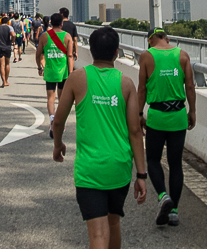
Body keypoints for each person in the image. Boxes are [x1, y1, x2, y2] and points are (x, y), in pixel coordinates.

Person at [52, 26, 148, 249]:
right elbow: (135, 131)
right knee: (113, 223)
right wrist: (141, 174)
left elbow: (58, 121)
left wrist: (58, 145)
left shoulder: (76, 78)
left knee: (97, 234)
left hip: (90, 169)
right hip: (119, 167)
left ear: (91, 50)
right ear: (116, 52)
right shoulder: (126, 84)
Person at [137, 27, 196, 227]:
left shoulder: (146, 56)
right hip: (178, 115)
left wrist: (138, 114)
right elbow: (190, 86)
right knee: (175, 163)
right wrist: (193, 111)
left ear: (150, 39)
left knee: (153, 159)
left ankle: (163, 196)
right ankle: (174, 211)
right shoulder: (182, 55)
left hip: (156, 117)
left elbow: (142, 89)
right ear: (167, 38)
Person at [36, 12, 73, 125]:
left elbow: (38, 54)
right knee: (61, 99)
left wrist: (39, 67)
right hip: (63, 72)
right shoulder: (67, 36)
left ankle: (52, 118)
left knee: (50, 98)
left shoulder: (44, 36)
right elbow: (70, 56)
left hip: (50, 71)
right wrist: (71, 72)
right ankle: (60, 121)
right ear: (61, 23)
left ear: (51, 23)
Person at [0, 16, 15, 88]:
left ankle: (3, 81)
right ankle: (6, 80)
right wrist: (12, 41)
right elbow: (13, 35)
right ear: (8, 22)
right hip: (7, 47)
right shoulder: (9, 27)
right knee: (7, 64)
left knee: (1, 65)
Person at [59, 7, 79, 71]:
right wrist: (75, 51)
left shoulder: (59, 25)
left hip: (60, 48)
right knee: (70, 65)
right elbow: (75, 39)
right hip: (70, 48)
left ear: (62, 14)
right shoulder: (72, 25)